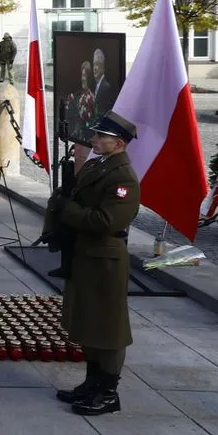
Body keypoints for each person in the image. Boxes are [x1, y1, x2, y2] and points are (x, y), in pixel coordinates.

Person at [42, 110, 140, 417]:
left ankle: (108, 392)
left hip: (105, 260)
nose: (94, 139)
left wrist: (68, 209)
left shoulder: (123, 177)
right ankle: (92, 383)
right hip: (86, 256)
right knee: (88, 323)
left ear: (119, 143)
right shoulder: (101, 165)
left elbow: (107, 221)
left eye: (101, 136)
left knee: (108, 329)